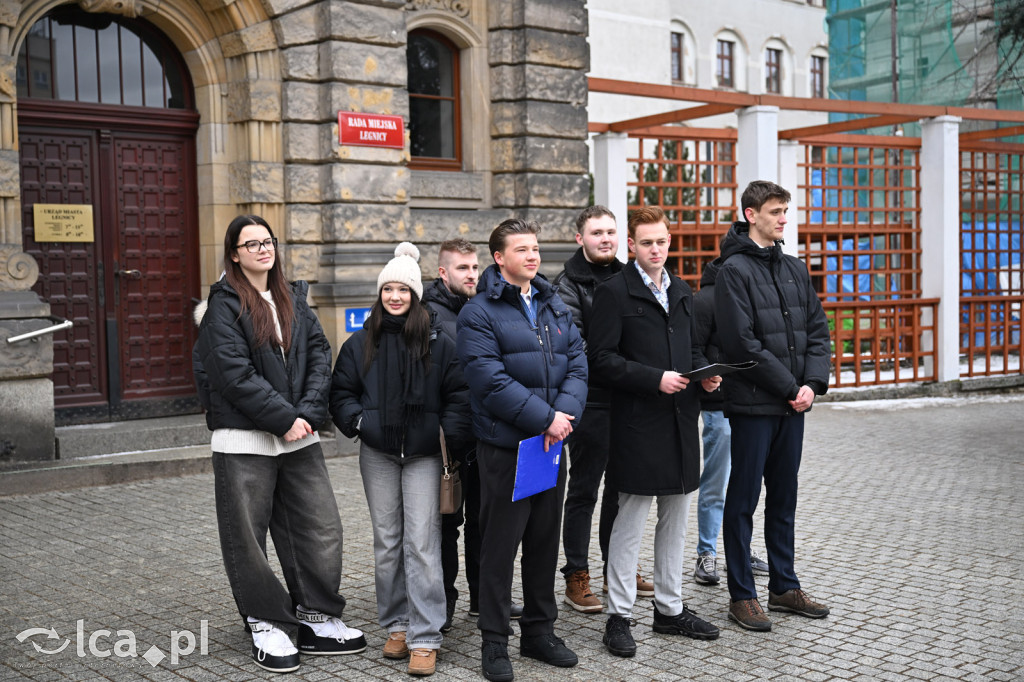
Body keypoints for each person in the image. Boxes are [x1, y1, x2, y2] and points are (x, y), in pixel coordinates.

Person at [193, 215, 366, 674]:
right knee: (247, 536)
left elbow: (319, 357)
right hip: (243, 437)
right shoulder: (223, 307)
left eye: (266, 241)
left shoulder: (295, 298)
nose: (261, 249)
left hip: (299, 436)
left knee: (320, 526)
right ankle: (266, 620)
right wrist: (282, 417)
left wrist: (305, 415)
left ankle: (315, 615)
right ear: (234, 253)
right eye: (251, 244)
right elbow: (232, 374)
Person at [330, 242, 471, 676]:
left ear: (415, 294)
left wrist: (443, 434)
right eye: (387, 289)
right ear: (380, 293)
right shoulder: (360, 342)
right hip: (378, 453)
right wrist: (359, 424)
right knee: (387, 543)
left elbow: (459, 394)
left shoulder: (438, 339)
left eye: (403, 289)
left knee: (423, 544)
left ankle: (426, 637)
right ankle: (396, 624)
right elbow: (341, 394)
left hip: (425, 455)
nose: (394, 296)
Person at [456, 219, 588, 682]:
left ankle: (539, 631)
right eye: (522, 250)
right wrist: (545, 418)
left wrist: (562, 419)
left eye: (535, 249)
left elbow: (578, 364)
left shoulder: (553, 304)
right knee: (499, 546)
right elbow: (489, 381)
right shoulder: (479, 312)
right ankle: (494, 641)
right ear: (499, 258)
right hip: (507, 449)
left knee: (543, 542)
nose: (533, 256)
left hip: (551, 446)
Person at [588, 206, 721, 657]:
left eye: (662, 241)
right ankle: (619, 616)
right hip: (637, 424)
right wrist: (654, 378)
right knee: (630, 521)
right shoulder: (613, 293)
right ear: (632, 246)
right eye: (647, 242)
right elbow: (600, 359)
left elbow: (692, 347)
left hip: (681, 422)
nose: (656, 249)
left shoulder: (681, 290)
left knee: (676, 520)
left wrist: (704, 373)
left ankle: (669, 610)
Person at [715, 181, 832, 632]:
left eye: (786, 210)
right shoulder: (733, 271)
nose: (784, 218)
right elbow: (741, 343)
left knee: (784, 499)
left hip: (792, 406)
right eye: (776, 211)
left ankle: (784, 586)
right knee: (742, 501)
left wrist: (812, 383)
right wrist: (789, 385)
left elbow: (818, 331)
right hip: (752, 406)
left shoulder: (795, 269)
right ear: (751, 214)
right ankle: (742, 595)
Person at [553, 206, 653, 613]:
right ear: (581, 238)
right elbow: (574, 348)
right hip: (590, 401)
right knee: (584, 491)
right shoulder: (567, 286)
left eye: (611, 231)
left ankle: (619, 567)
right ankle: (576, 574)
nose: (605, 238)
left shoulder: (631, 278)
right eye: (597, 232)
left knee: (622, 488)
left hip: (629, 400)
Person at [421, 239, 523, 631]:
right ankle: (444, 600)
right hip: (446, 440)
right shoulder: (426, 314)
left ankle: (483, 597)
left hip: (485, 435)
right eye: (462, 268)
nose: (471, 275)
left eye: (475, 267)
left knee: (485, 522)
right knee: (445, 523)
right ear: (443, 272)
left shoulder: (486, 307)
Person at [692, 255, 771, 586]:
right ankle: (706, 554)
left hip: (753, 406)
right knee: (716, 483)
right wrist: (709, 375)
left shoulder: (750, 298)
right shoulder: (706, 300)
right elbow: (693, 350)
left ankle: (740, 550)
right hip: (719, 406)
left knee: (747, 485)